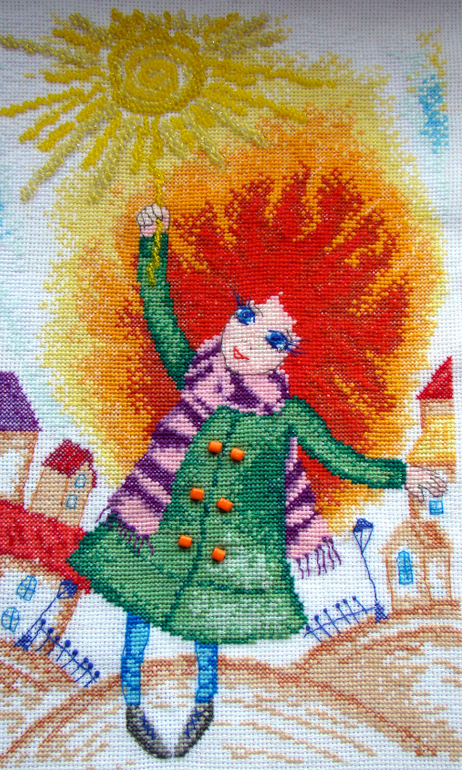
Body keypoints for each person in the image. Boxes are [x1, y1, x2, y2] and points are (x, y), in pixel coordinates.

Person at [68, 204, 446, 759]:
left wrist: (406, 474)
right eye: (244, 316)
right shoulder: (198, 377)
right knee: (138, 608)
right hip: (158, 528)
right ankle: (132, 701)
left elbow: (342, 460)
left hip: (232, 550)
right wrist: (153, 242)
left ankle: (202, 704)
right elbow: (160, 315)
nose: (245, 339)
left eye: (273, 338)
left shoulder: (289, 414)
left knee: (208, 621)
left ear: (292, 356)